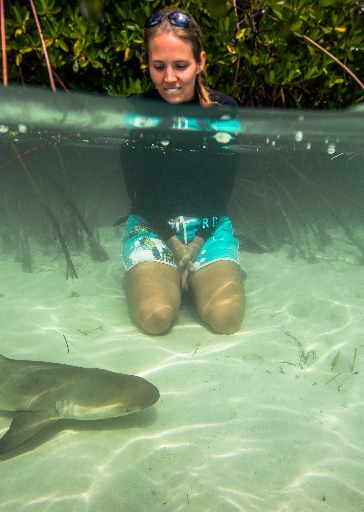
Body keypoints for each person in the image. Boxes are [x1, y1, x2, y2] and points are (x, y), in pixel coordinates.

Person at [119, 8, 245, 335]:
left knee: (225, 318)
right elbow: (140, 190)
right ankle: (160, 278)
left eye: (181, 65)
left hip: (209, 226)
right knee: (156, 317)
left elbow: (222, 186)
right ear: (147, 63)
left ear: (200, 61)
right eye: (158, 67)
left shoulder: (222, 110)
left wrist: (198, 243)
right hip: (152, 225)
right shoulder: (138, 110)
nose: (170, 78)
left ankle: (189, 280)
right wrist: (176, 247)